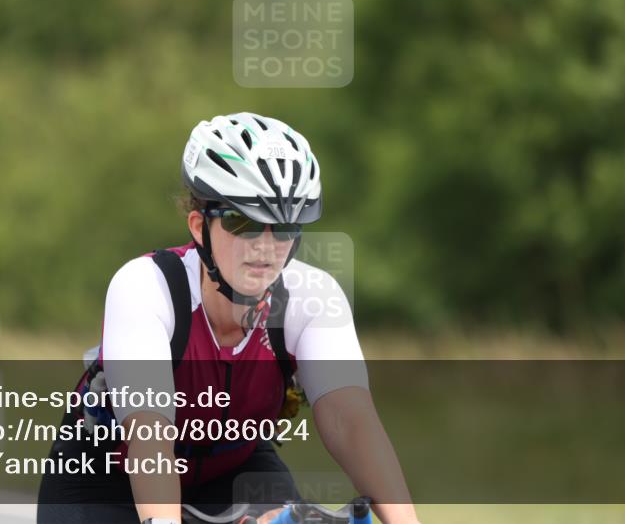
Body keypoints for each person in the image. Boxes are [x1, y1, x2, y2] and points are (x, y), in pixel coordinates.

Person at [37, 112, 419, 524]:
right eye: (245, 222)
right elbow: (149, 437)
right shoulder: (145, 287)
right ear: (199, 226)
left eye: (285, 225)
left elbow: (351, 423)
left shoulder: (312, 298)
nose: (267, 246)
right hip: (105, 475)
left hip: (235, 468)